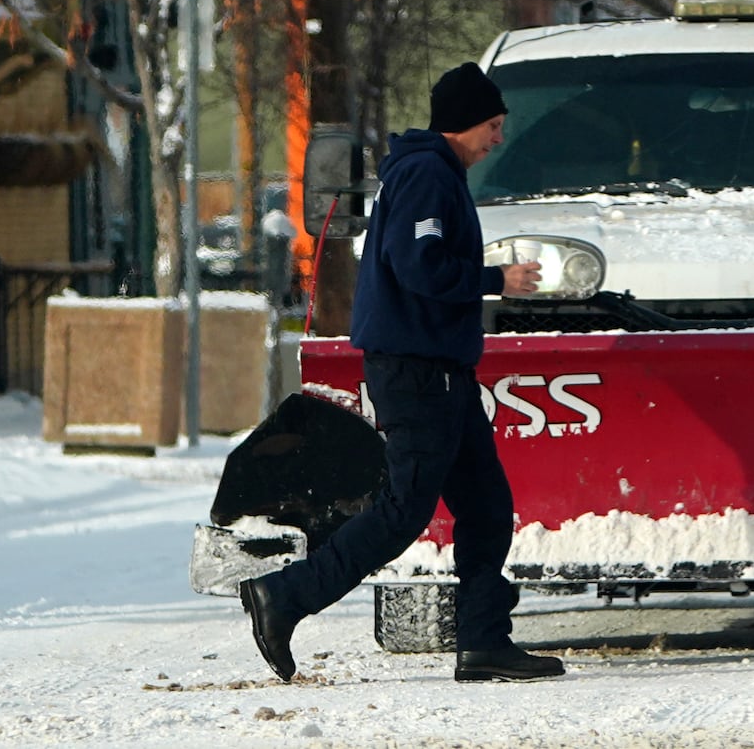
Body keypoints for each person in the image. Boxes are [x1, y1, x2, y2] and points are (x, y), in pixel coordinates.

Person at [240, 62, 563, 684]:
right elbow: (420, 267)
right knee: (403, 511)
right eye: (493, 126)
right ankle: (285, 596)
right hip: (418, 373)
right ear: (465, 124)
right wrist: (497, 281)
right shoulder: (424, 174)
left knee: (488, 507)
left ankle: (484, 642)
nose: (498, 138)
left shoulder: (430, 173)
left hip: (441, 370)